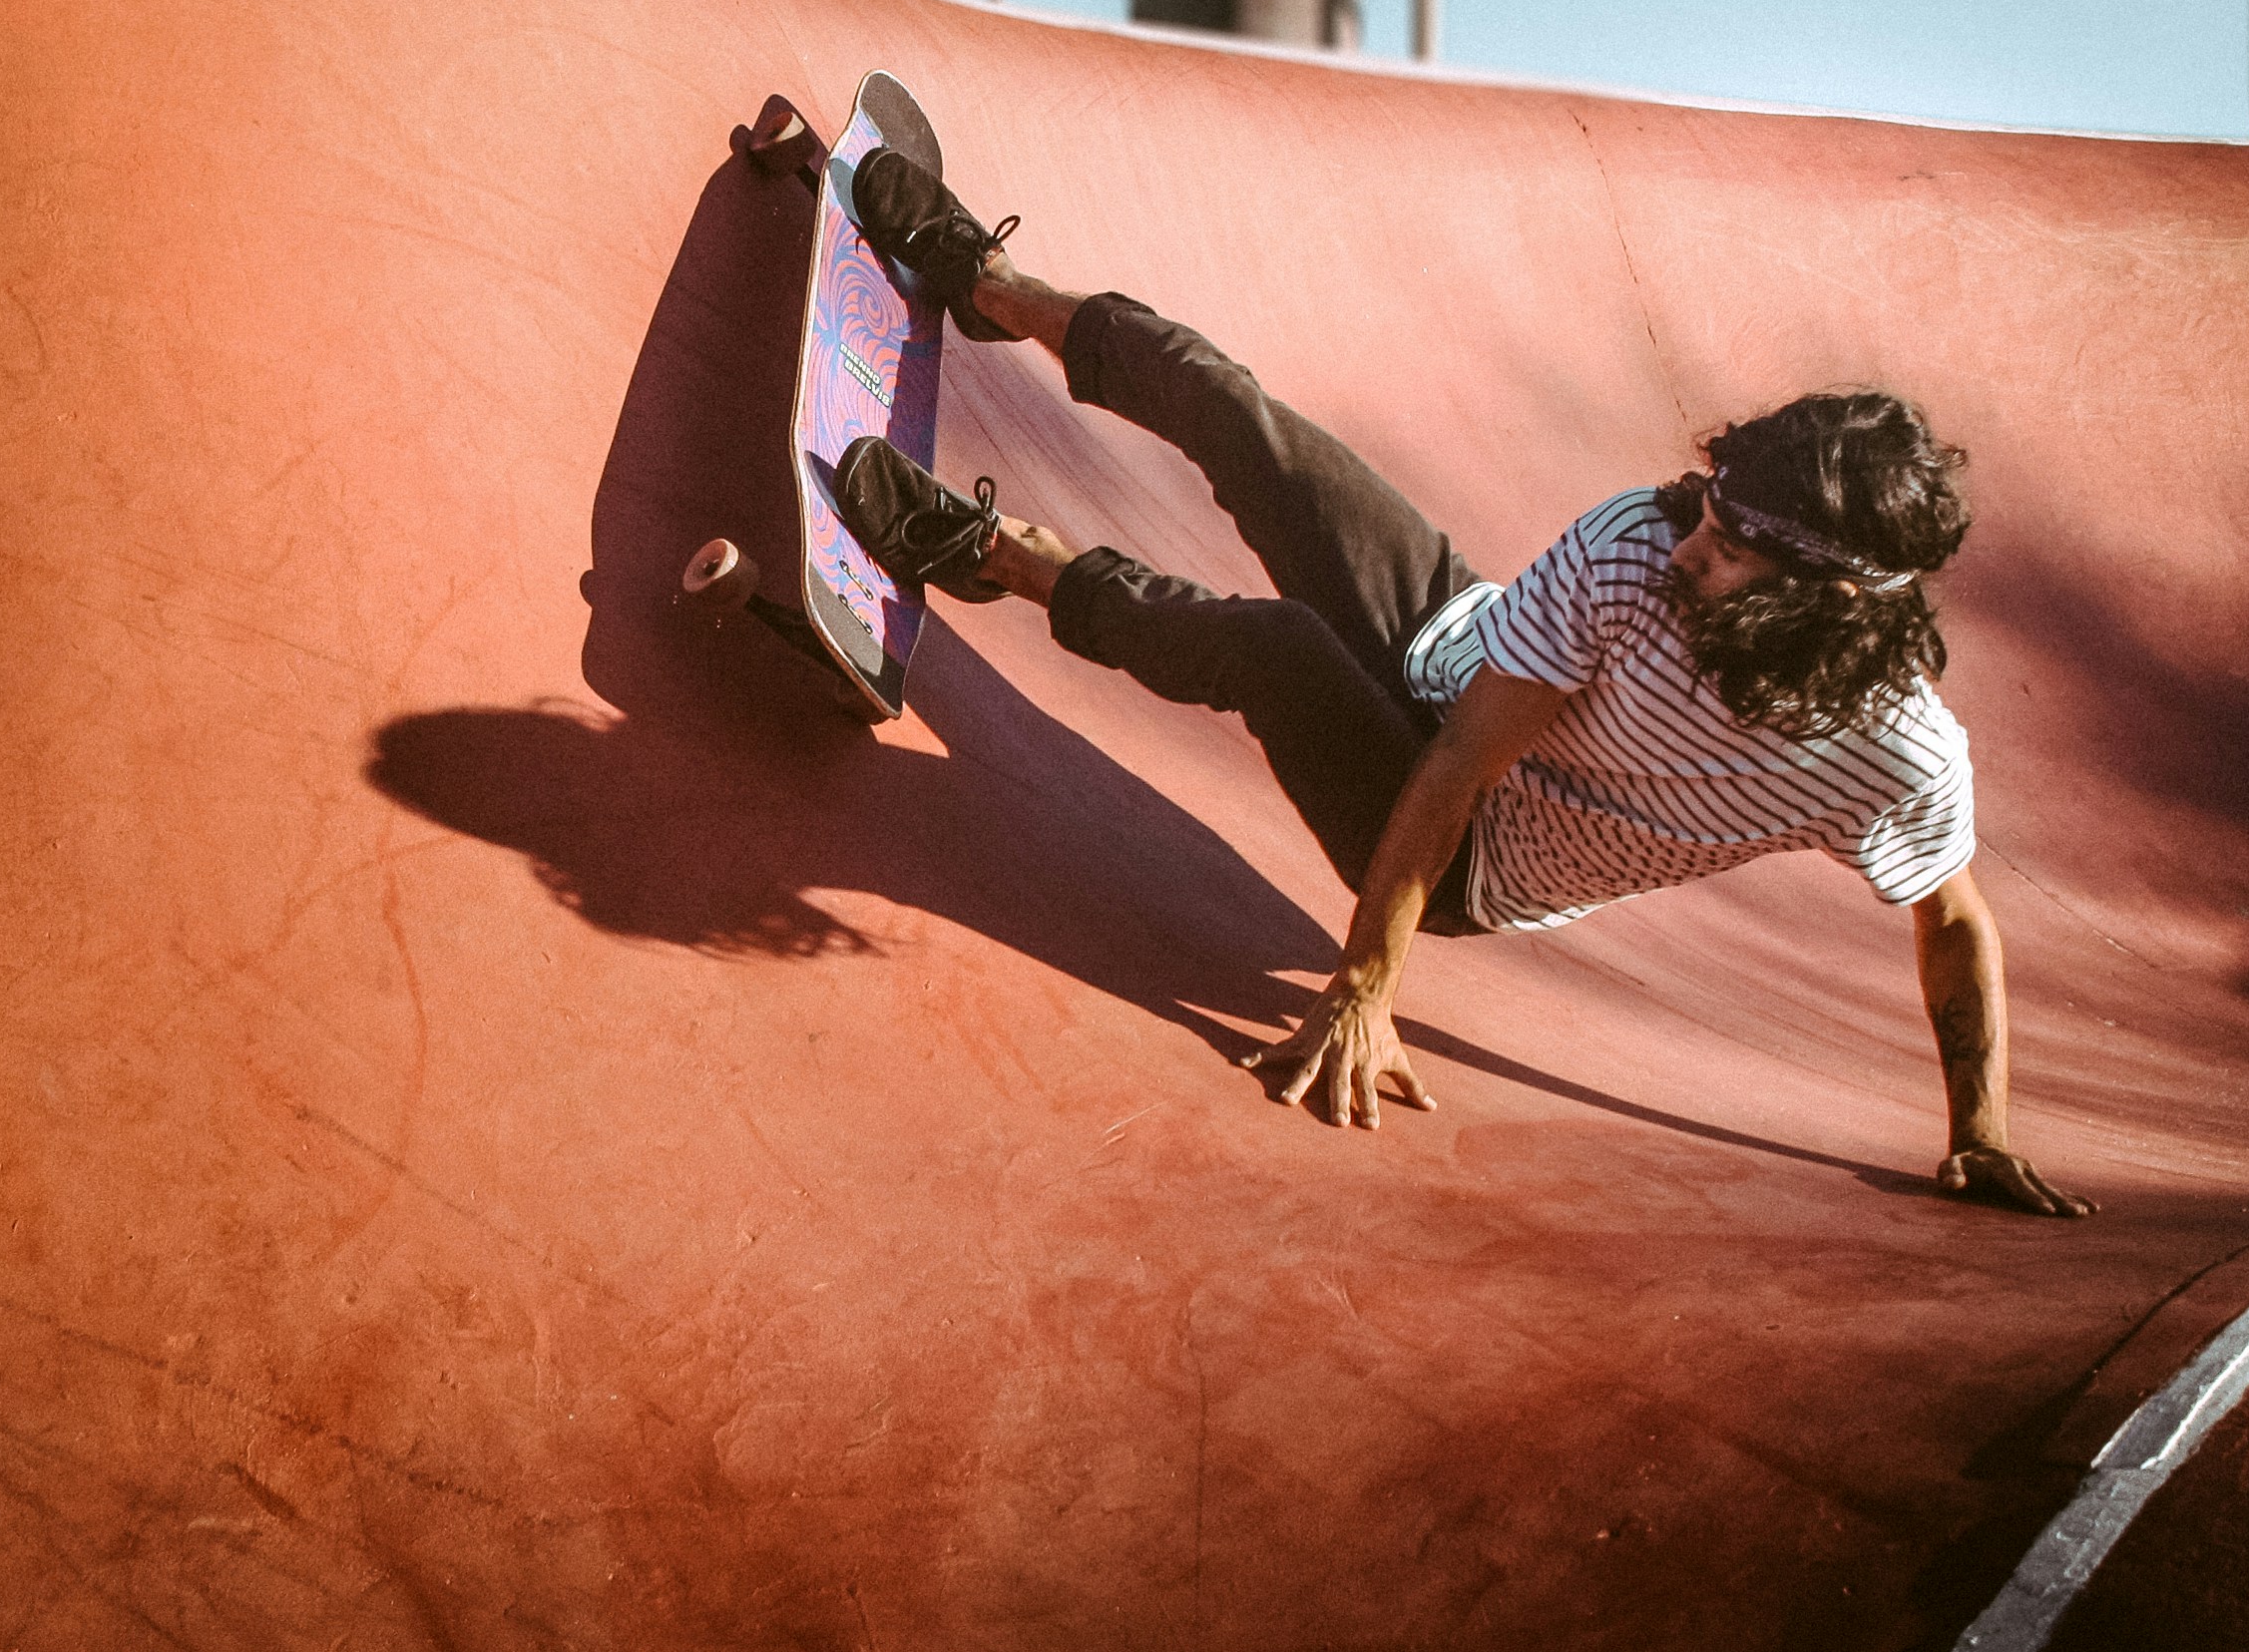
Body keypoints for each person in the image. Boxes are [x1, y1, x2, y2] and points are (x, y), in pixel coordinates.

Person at [828, 151, 2092, 1218]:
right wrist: (1357, 983)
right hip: (1454, 653)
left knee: (1273, 649)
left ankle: (996, 556)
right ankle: (990, 286)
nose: (1689, 543)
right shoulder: (1635, 544)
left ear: (1823, 595)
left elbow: (1952, 915)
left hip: (1471, 858)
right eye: (1708, 507)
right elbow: (1464, 738)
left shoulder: (1891, 754)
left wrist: (1975, 1130)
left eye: (1730, 549)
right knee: (1237, 416)